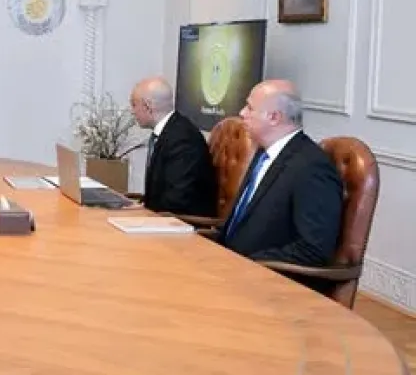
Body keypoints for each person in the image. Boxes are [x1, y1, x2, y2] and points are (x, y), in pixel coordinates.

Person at [215, 79, 344, 293]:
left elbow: (312, 249)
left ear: (274, 117)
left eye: (250, 108)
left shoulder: (311, 167)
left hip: (266, 284)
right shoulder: (265, 153)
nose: (242, 113)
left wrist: (248, 264)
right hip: (229, 267)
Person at [130, 76, 217, 217]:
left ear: (147, 106)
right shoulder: (170, 130)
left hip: (182, 222)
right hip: (162, 217)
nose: (132, 111)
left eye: (134, 105)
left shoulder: (183, 138)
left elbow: (176, 199)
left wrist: (143, 215)